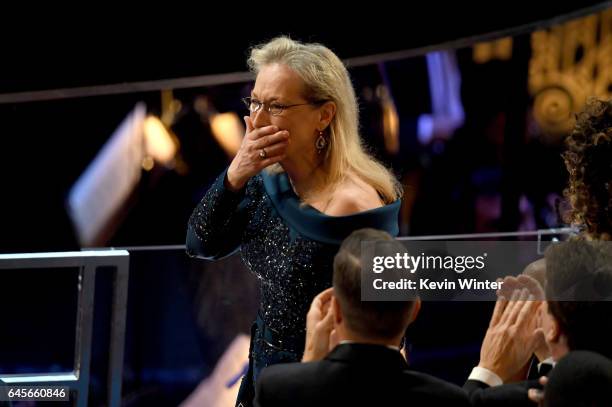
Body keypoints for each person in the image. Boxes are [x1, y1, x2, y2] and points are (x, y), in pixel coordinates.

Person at [186, 37, 402, 406]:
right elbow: (201, 243)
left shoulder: (355, 205)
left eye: (276, 106)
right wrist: (234, 176)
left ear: (325, 114)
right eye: (254, 102)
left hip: (324, 382)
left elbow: (387, 320)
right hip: (264, 372)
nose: (256, 120)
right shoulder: (266, 177)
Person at [254, 228, 470, 407]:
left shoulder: (277, 389)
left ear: (335, 310)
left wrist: (308, 367)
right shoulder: (450, 401)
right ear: (414, 310)